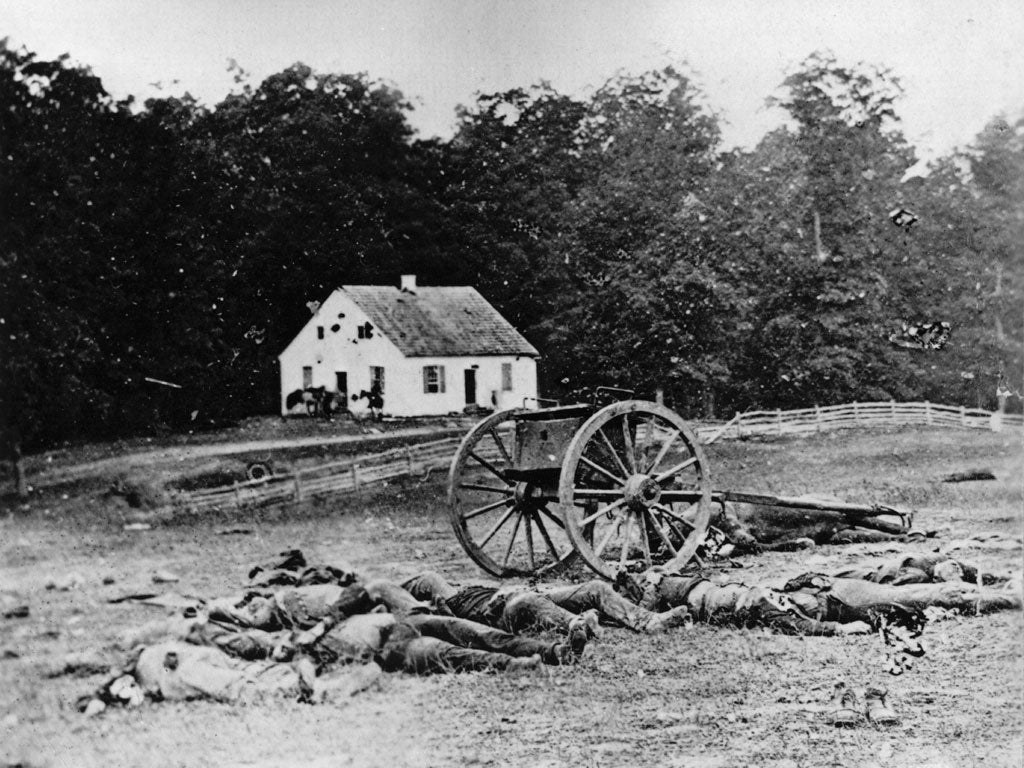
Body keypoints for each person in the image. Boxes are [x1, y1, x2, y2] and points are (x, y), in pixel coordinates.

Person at [401, 571, 690, 635]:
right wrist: (436, 607)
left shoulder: (460, 589)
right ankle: (580, 625)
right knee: (527, 601)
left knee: (594, 587)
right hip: (507, 611)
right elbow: (459, 629)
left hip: (524, 594)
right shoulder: (446, 609)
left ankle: (648, 620)